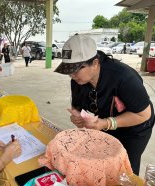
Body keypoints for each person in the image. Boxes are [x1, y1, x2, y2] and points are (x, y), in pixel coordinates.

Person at [54, 34, 154, 175]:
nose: (72, 75)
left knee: (125, 166)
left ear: (95, 63)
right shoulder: (77, 80)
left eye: (76, 69)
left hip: (134, 127)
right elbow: (78, 106)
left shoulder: (124, 77)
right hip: (104, 121)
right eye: (69, 70)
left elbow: (143, 114)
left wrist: (105, 123)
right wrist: (78, 118)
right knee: (101, 161)